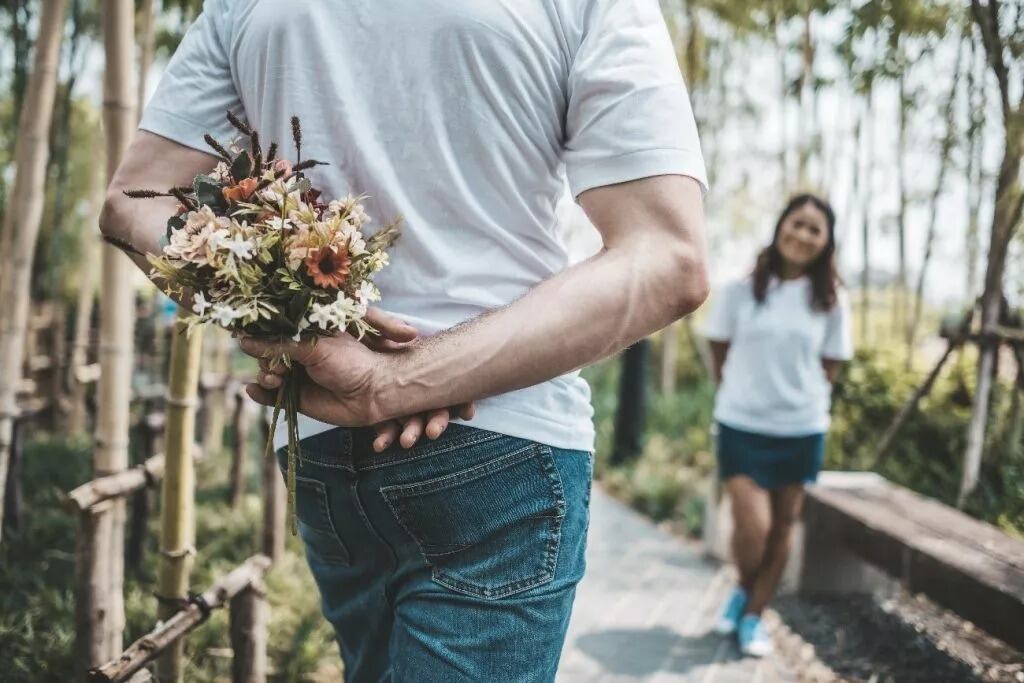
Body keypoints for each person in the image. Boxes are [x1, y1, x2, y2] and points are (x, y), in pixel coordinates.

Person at [100, 0, 709, 679]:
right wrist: (394, 379)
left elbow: (133, 203)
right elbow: (667, 257)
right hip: (502, 442)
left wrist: (294, 325)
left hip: (320, 442)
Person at [701, 194, 852, 658]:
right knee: (754, 528)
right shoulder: (738, 291)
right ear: (780, 226)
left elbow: (830, 365)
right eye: (797, 223)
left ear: (825, 243)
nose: (803, 235)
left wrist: (797, 402)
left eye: (815, 229)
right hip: (742, 426)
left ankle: (752, 615)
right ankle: (747, 589)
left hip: (801, 430)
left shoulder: (831, 301)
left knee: (783, 528)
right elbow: (718, 352)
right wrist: (747, 394)